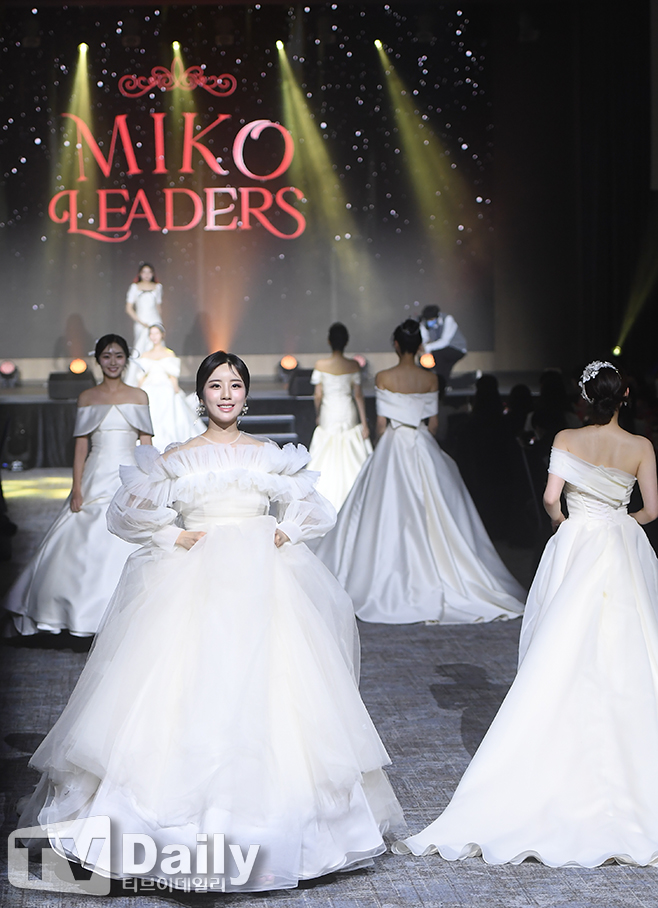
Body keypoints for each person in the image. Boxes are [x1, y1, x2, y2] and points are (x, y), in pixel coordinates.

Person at [18, 351, 404, 892]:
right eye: (216, 385)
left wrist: (287, 532)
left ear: (246, 394)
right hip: (192, 588)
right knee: (185, 691)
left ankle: (280, 829)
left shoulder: (267, 455)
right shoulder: (178, 457)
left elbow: (316, 508)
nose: (226, 394)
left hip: (265, 589)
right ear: (200, 395)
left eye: (235, 384)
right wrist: (172, 535)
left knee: (274, 696)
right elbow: (125, 511)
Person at [393, 361, 658, 867]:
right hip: (620, 546)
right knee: (627, 648)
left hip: (576, 543)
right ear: (624, 396)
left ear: (585, 398)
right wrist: (618, 522)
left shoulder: (567, 438)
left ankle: (555, 750)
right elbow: (652, 510)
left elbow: (551, 499)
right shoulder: (641, 446)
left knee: (561, 646)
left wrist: (571, 521)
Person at [315, 320, 526, 624]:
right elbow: (434, 425)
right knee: (436, 511)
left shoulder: (384, 377)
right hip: (421, 443)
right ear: (418, 347)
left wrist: (386, 443)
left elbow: (382, 424)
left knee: (383, 511)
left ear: (396, 344)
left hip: (393, 445)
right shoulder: (430, 379)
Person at [4, 335, 153, 637]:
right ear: (98, 360)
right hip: (95, 475)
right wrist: (77, 487)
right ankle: (72, 615)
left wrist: (148, 485)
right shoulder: (87, 397)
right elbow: (81, 447)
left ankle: (131, 616)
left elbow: (146, 445)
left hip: (129, 475)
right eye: (107, 356)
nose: (113, 362)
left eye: (118, 355)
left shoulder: (139, 396)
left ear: (126, 359)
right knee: (81, 537)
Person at [307, 322, 372, 511]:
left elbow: (318, 395)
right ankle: (353, 494)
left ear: (329, 341)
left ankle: (323, 495)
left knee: (326, 449)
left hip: (329, 411)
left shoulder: (321, 365)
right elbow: (358, 396)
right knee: (350, 448)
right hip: (347, 410)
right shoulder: (353, 365)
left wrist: (318, 414)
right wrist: (364, 422)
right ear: (346, 342)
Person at [136, 324, 205, 451]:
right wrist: (138, 390)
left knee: (169, 412)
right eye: (152, 334)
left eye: (156, 333)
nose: (154, 336)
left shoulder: (169, 353)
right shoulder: (145, 355)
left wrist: (175, 389)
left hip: (165, 388)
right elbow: (141, 376)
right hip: (149, 388)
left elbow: (173, 375)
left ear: (162, 335)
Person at [124, 263, 163, 385]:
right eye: (144, 272)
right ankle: (137, 380)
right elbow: (129, 308)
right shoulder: (135, 287)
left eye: (149, 272)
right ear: (140, 274)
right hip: (141, 323)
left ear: (153, 274)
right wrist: (140, 321)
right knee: (140, 349)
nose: (147, 275)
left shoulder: (158, 287)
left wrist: (160, 323)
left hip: (155, 321)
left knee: (156, 347)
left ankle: (155, 379)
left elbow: (158, 307)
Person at [419, 304, 468, 384]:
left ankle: (441, 383)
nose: (430, 321)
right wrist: (423, 349)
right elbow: (425, 339)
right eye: (428, 320)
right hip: (439, 349)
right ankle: (446, 383)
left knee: (438, 356)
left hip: (456, 348)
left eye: (432, 319)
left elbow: (445, 341)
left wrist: (427, 348)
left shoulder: (447, 319)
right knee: (442, 373)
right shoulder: (424, 323)